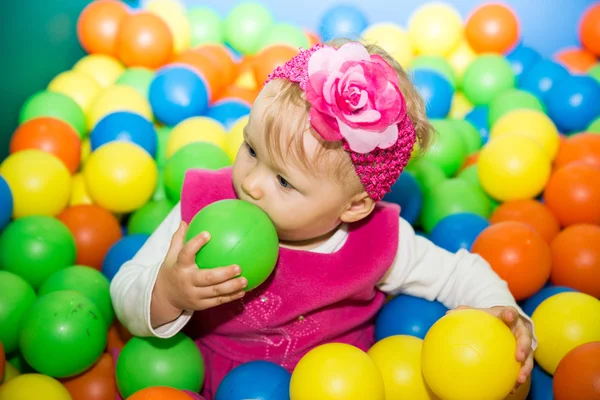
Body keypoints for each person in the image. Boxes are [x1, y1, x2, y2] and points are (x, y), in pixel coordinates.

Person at [111, 40, 536, 399]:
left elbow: (458, 273)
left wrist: (508, 320)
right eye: (251, 150)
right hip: (218, 380)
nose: (252, 184)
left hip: (345, 383)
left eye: (283, 180)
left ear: (353, 207)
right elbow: (126, 293)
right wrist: (169, 291)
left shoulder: (375, 240)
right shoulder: (203, 208)